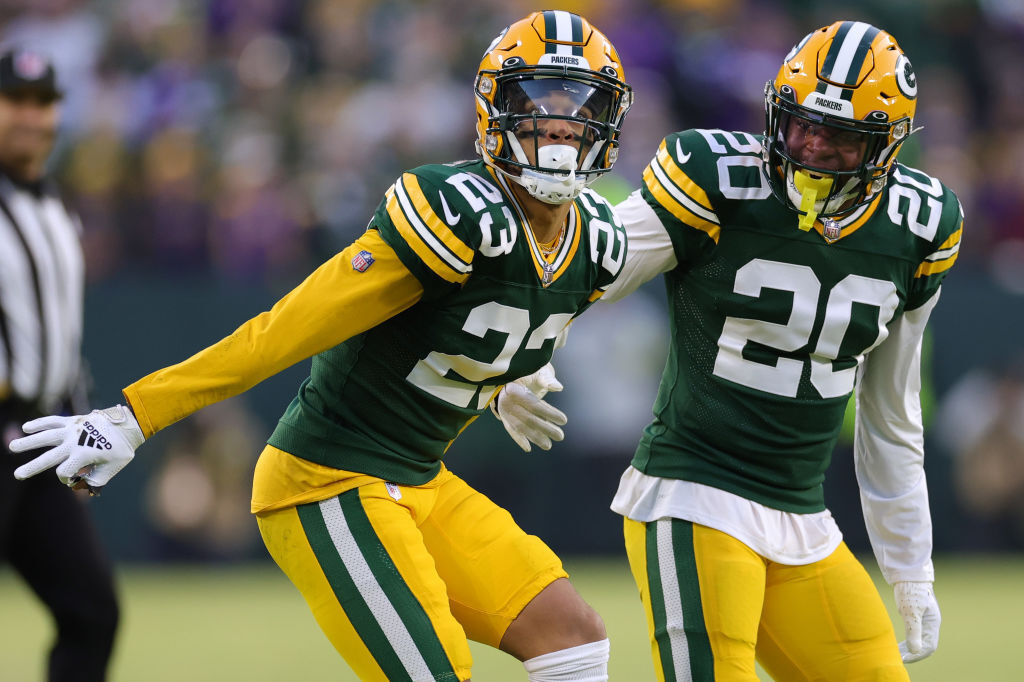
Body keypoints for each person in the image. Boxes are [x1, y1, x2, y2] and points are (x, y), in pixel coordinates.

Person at [10, 11, 634, 682]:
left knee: (572, 637)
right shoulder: (454, 213)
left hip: (420, 478)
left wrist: (509, 375)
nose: (564, 125)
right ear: (496, 109)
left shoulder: (597, 242)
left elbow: (504, 314)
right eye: (540, 102)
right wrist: (135, 416)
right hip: (330, 481)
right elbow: (284, 330)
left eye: (582, 105)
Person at [500, 20, 962, 681]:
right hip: (694, 494)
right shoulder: (717, 177)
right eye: (800, 121)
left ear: (884, 146)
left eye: (837, 135)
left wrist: (911, 567)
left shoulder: (920, 226)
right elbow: (594, 263)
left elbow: (891, 414)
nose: (808, 142)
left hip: (803, 515)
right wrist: (524, 343)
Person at [0, 49, 120, 681]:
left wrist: (78, 420)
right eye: (15, 100)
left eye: (43, 102)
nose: (31, 116)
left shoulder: (50, 205)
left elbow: (55, 335)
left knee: (91, 611)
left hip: (36, 433)